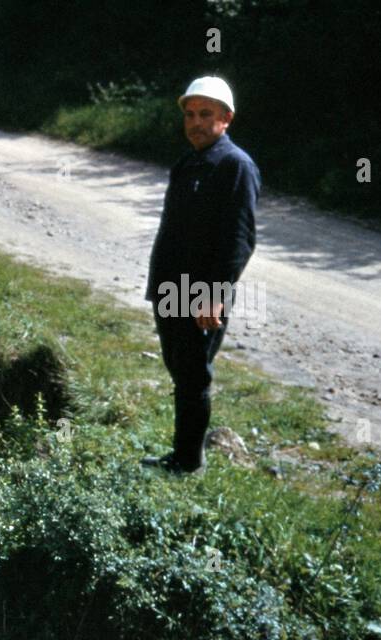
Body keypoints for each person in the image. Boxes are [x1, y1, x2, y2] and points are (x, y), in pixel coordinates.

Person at [143, 76, 261, 474]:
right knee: (180, 371)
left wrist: (214, 295)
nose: (195, 122)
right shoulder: (188, 162)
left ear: (226, 118)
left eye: (205, 114)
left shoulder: (234, 166)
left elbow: (239, 238)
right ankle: (181, 455)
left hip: (200, 294)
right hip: (170, 289)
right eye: (190, 114)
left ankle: (188, 464)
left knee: (193, 377)